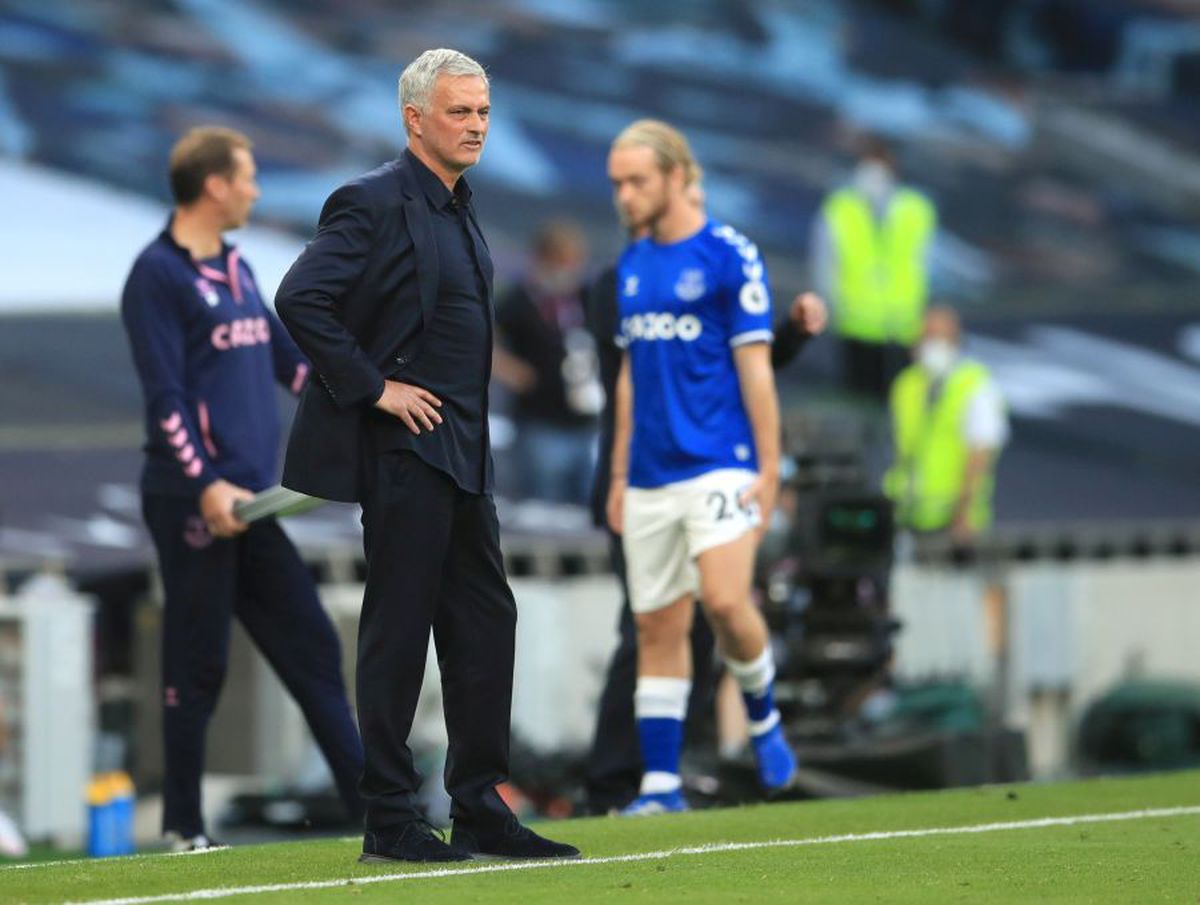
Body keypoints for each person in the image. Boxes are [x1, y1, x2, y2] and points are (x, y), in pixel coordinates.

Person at [273, 49, 578, 864]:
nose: (477, 125)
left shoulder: (460, 205)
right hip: (406, 453)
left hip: (468, 455)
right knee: (399, 633)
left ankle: (478, 805)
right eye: (460, 112)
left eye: (483, 112)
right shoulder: (370, 201)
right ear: (415, 118)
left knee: (486, 625)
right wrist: (373, 388)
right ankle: (390, 818)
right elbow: (300, 297)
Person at [120, 126, 365, 851]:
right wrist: (204, 484)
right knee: (198, 660)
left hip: (253, 505)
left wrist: (357, 401)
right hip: (194, 502)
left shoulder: (235, 267)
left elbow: (287, 364)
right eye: (249, 177)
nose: (256, 189)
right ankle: (183, 827)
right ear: (216, 185)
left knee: (313, 646)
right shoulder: (156, 276)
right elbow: (165, 398)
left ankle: (378, 811)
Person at [584, 185, 827, 814]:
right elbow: (648, 376)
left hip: (710, 469)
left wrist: (790, 337)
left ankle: (682, 765)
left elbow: (732, 359)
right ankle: (621, 781)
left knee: (712, 612)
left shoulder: (717, 260)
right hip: (641, 472)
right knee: (648, 629)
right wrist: (616, 480)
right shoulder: (619, 281)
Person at [812, 138, 937, 402]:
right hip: (854, 325)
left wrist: (925, 317)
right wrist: (830, 307)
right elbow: (825, 264)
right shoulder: (840, 208)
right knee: (856, 400)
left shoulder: (916, 210)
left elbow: (927, 264)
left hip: (902, 327)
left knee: (900, 402)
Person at [492, 220, 601, 504]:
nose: (568, 269)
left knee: (588, 507)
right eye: (561, 261)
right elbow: (481, 338)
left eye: (574, 261)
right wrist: (511, 371)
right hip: (540, 423)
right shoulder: (520, 300)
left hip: (586, 422)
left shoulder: (585, 297)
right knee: (544, 506)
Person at [884, 306, 1008, 545]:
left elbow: (980, 454)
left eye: (939, 337)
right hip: (907, 515)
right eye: (926, 336)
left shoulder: (974, 385)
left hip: (954, 518)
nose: (931, 344)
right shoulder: (906, 384)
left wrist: (963, 513)